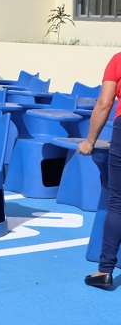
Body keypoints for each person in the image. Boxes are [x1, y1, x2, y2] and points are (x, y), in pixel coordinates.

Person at [78, 53, 121, 289]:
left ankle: (105, 270)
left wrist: (89, 141)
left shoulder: (118, 60)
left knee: (118, 202)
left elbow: (105, 103)